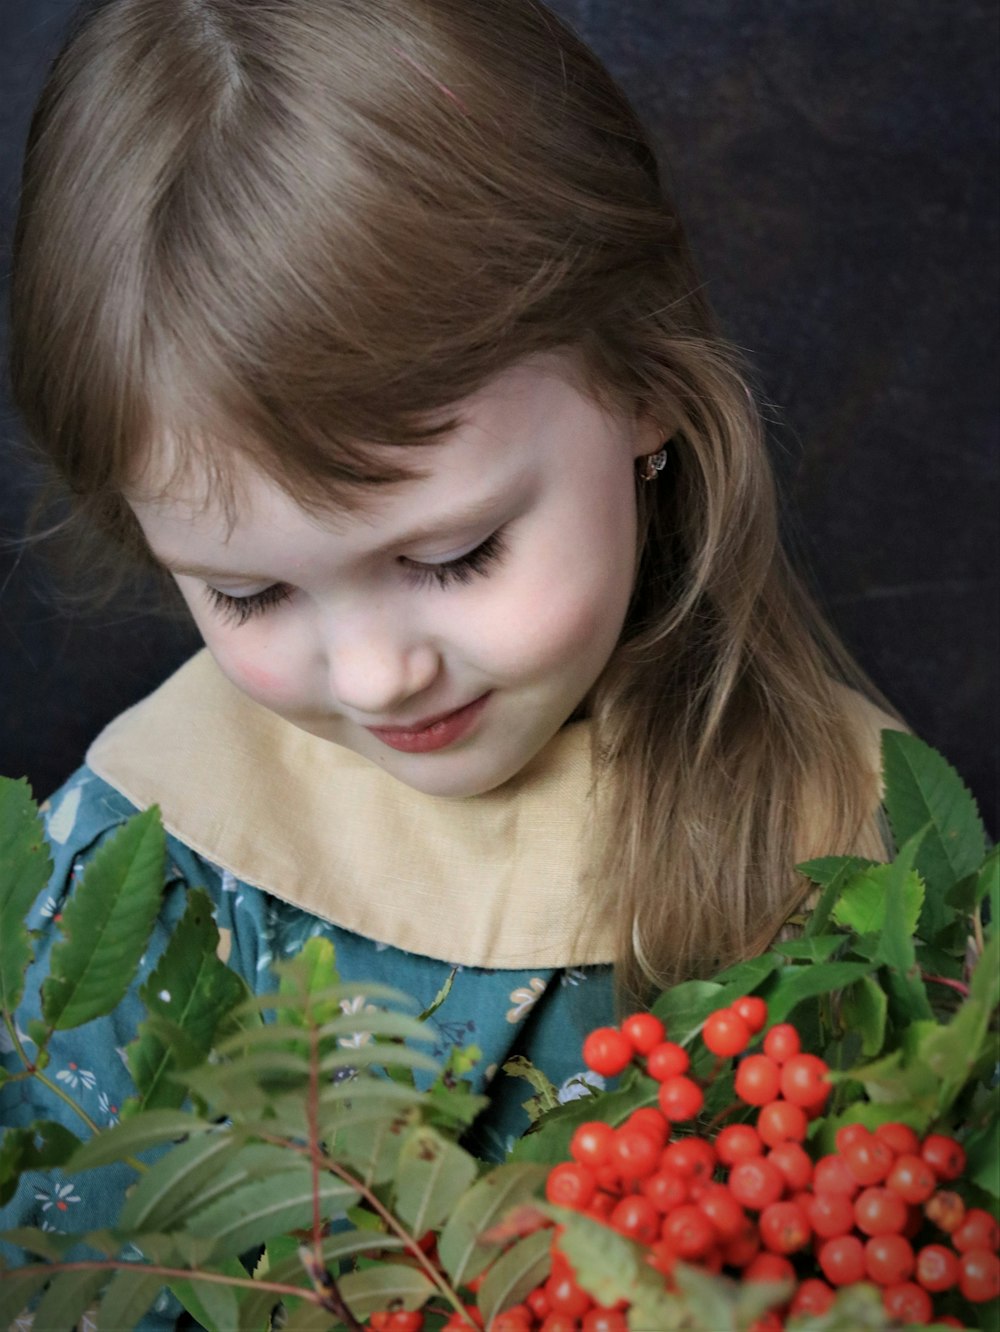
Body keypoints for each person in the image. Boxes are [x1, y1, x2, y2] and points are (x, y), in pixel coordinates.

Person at [1, 0, 897, 1321]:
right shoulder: (140, 879)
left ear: (641, 379)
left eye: (458, 554)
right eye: (248, 592)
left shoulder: (866, 877)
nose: (373, 678)